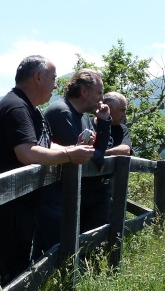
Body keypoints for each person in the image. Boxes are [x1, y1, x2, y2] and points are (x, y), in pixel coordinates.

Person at [0, 55, 94, 285]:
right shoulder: (16, 107)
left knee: (15, 270)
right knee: (3, 275)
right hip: (5, 211)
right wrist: (70, 155)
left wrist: (72, 148)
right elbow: (27, 152)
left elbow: (43, 143)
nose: (56, 85)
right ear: (38, 77)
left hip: (18, 209)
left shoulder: (31, 109)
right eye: (53, 78)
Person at [43, 69, 113, 243]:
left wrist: (103, 121)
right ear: (84, 91)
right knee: (50, 252)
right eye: (99, 92)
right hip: (54, 199)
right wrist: (97, 158)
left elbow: (97, 151)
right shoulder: (62, 113)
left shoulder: (84, 117)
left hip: (69, 196)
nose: (101, 98)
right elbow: (82, 156)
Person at [102, 92, 133, 156]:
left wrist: (99, 154)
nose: (124, 115)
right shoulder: (88, 123)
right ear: (109, 108)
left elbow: (125, 150)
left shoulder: (121, 129)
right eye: (122, 110)